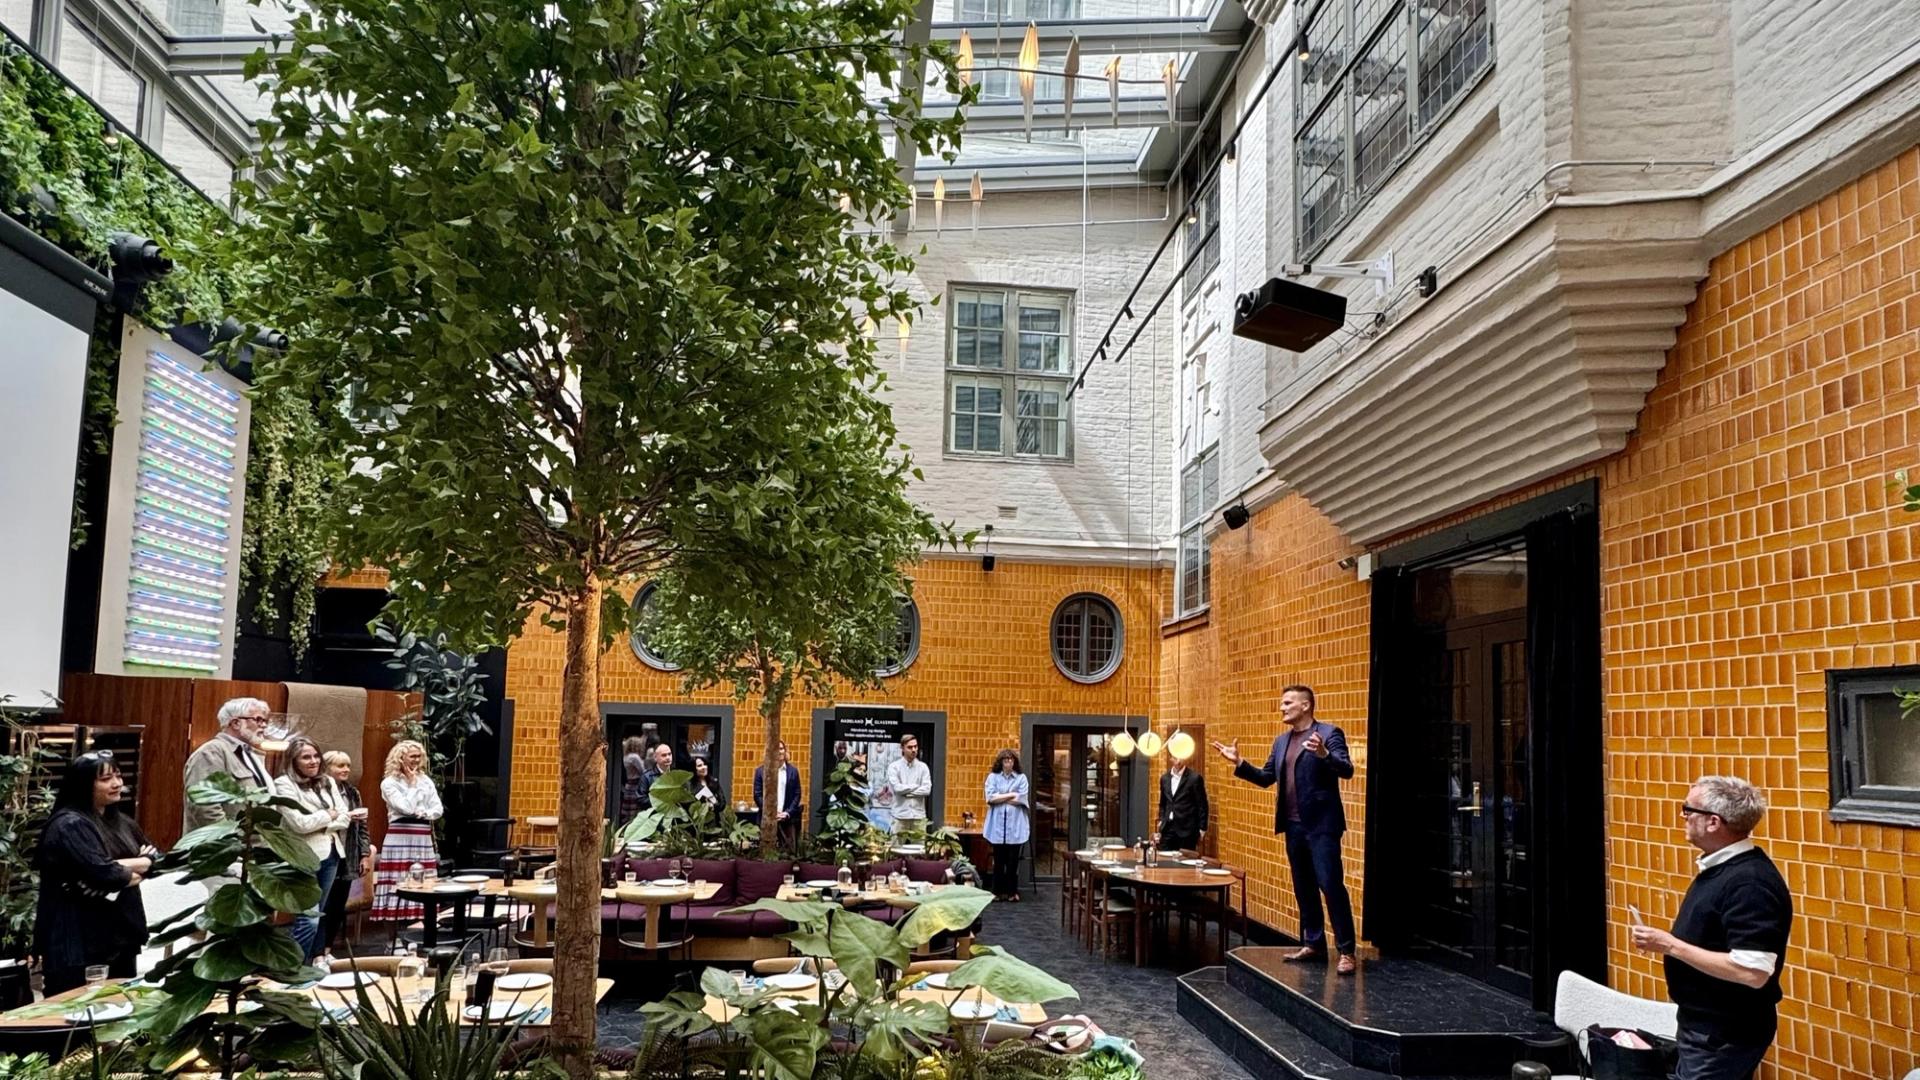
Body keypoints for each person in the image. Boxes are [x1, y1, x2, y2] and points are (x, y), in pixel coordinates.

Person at [1630, 776, 1792, 1080]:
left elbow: (1753, 972)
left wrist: (1669, 945)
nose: (1684, 817)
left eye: (1688, 810)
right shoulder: (1721, 869)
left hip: (1722, 1033)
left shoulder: (1749, 882)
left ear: (1713, 822)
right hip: (1705, 1026)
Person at [1214, 684, 1358, 974]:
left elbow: (1346, 769)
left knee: (1330, 885)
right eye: (1282, 703)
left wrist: (1324, 754)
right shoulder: (1281, 742)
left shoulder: (1329, 734)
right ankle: (1314, 943)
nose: (1282, 708)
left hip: (1321, 826)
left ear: (1306, 706)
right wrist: (1240, 763)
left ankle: (1346, 951)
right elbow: (1267, 777)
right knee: (1303, 887)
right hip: (1293, 826)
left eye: (1287, 703)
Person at [35, 752, 158, 994]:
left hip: (119, 934)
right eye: (105, 779)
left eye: (118, 776)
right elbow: (107, 874)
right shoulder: (69, 824)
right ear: (83, 783)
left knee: (119, 1010)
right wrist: (136, 864)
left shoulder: (122, 821)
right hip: (76, 938)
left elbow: (156, 861)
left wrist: (127, 866)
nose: (117, 784)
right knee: (74, 1016)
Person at [274, 736, 349, 962]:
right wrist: (329, 815)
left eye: (316, 755)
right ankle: (294, 968)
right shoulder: (283, 784)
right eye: (306, 757)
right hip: (302, 856)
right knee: (308, 917)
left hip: (332, 852)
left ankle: (314, 962)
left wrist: (325, 821)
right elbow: (299, 824)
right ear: (293, 760)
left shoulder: (327, 781)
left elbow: (345, 816)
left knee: (320, 912)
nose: (313, 761)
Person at [371, 739, 442, 922]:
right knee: (396, 882)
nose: (416, 760)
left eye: (419, 756)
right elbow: (406, 808)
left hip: (421, 836)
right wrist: (411, 784)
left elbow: (437, 809)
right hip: (399, 836)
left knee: (424, 881)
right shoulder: (389, 783)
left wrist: (425, 812)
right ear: (401, 758)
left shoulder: (425, 780)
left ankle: (420, 933)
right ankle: (391, 939)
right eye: (412, 756)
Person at [181, 697, 272, 833]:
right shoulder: (212, 752)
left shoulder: (248, 754)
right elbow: (204, 806)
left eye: (265, 721)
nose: (263, 725)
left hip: (252, 848)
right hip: (225, 850)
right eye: (258, 720)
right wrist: (231, 844)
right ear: (235, 723)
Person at [319, 751, 375, 954]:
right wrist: (346, 817)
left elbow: (363, 829)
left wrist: (364, 854)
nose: (345, 770)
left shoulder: (352, 792)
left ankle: (326, 950)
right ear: (327, 768)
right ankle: (314, 952)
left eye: (348, 766)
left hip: (348, 854)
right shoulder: (320, 791)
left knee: (337, 905)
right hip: (327, 852)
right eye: (340, 766)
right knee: (322, 906)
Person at [983, 749, 1029, 902]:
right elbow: (990, 798)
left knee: (1012, 862)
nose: (1008, 762)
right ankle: (996, 892)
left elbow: (1021, 799)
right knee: (998, 861)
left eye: (1011, 760)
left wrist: (1000, 797)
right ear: (1001, 762)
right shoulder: (993, 777)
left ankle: (1011, 892)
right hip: (997, 827)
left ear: (1014, 762)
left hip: (1015, 827)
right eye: (1005, 760)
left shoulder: (1021, 778)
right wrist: (1011, 795)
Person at [1156, 753, 1209, 853]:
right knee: (1163, 859)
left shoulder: (1194, 778)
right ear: (1170, 758)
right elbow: (1163, 802)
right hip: (1168, 827)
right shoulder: (1164, 778)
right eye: (1175, 757)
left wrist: (1202, 828)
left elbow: (1202, 804)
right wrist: (1162, 818)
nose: (1178, 761)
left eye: (1181, 757)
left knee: (1185, 862)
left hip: (1187, 829)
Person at [752, 742, 802, 848]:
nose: (779, 751)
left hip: (787, 820)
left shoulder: (793, 771)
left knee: (787, 854)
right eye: (775, 748)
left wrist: (787, 813)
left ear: (785, 750)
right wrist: (770, 811)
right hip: (766, 820)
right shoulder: (760, 771)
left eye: (781, 748)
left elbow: (797, 795)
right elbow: (757, 795)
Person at [886, 734, 933, 834]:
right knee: (895, 848)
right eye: (910, 747)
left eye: (915, 746)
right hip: (900, 815)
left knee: (919, 849)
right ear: (902, 748)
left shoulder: (923, 767)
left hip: (918, 816)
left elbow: (927, 790)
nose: (914, 750)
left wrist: (906, 793)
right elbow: (897, 789)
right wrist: (915, 786)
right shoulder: (894, 767)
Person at [619, 736, 647, 821]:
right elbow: (643, 770)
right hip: (636, 785)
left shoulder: (626, 757)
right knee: (634, 810)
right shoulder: (635, 757)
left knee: (628, 811)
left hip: (629, 784)